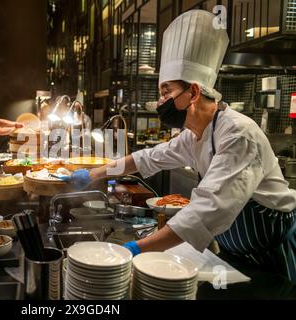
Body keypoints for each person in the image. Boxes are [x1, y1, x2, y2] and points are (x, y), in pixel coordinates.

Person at [67, 10, 296, 283]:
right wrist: (93, 174)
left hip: (272, 251)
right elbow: (146, 158)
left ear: (194, 92)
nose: (160, 101)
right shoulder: (194, 134)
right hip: (236, 250)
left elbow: (206, 210)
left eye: (166, 92)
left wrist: (135, 249)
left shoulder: (237, 134)